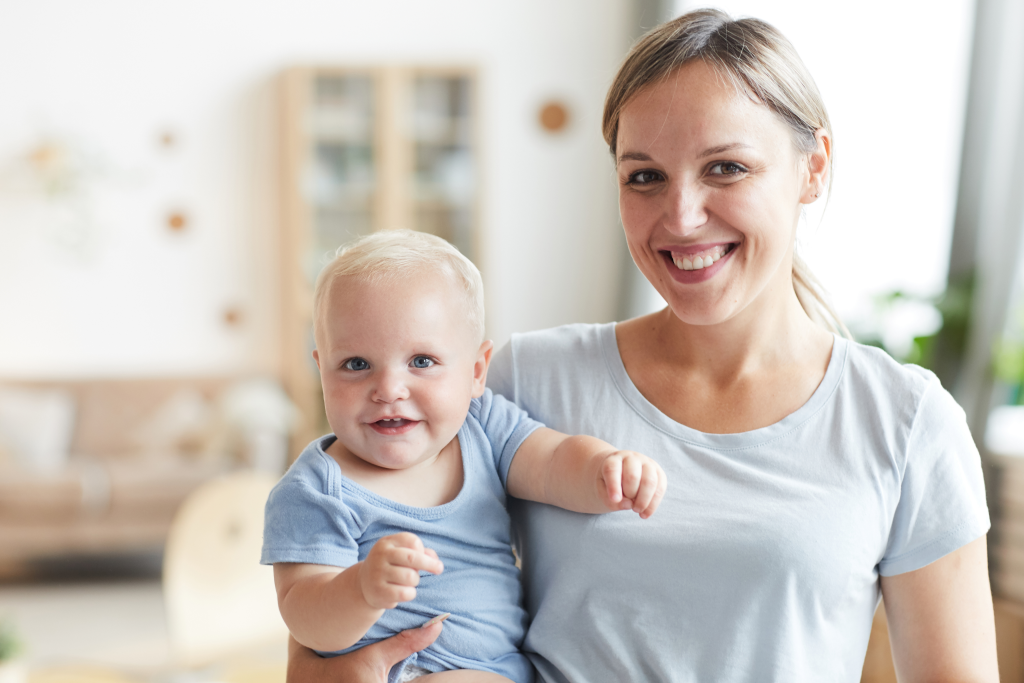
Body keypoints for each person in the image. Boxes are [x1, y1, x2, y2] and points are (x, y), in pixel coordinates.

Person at [285, 9, 998, 682]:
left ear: (813, 167)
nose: (682, 216)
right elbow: (323, 633)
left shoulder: (906, 423)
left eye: (726, 167)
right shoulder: (521, 380)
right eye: (645, 176)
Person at [261, 230, 667, 683]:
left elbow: (552, 461)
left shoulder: (481, 427)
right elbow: (305, 616)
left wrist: (604, 468)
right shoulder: (316, 490)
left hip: (501, 672)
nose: (389, 390)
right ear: (322, 371)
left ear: (476, 372)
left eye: (421, 361)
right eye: (356, 364)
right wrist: (361, 589)